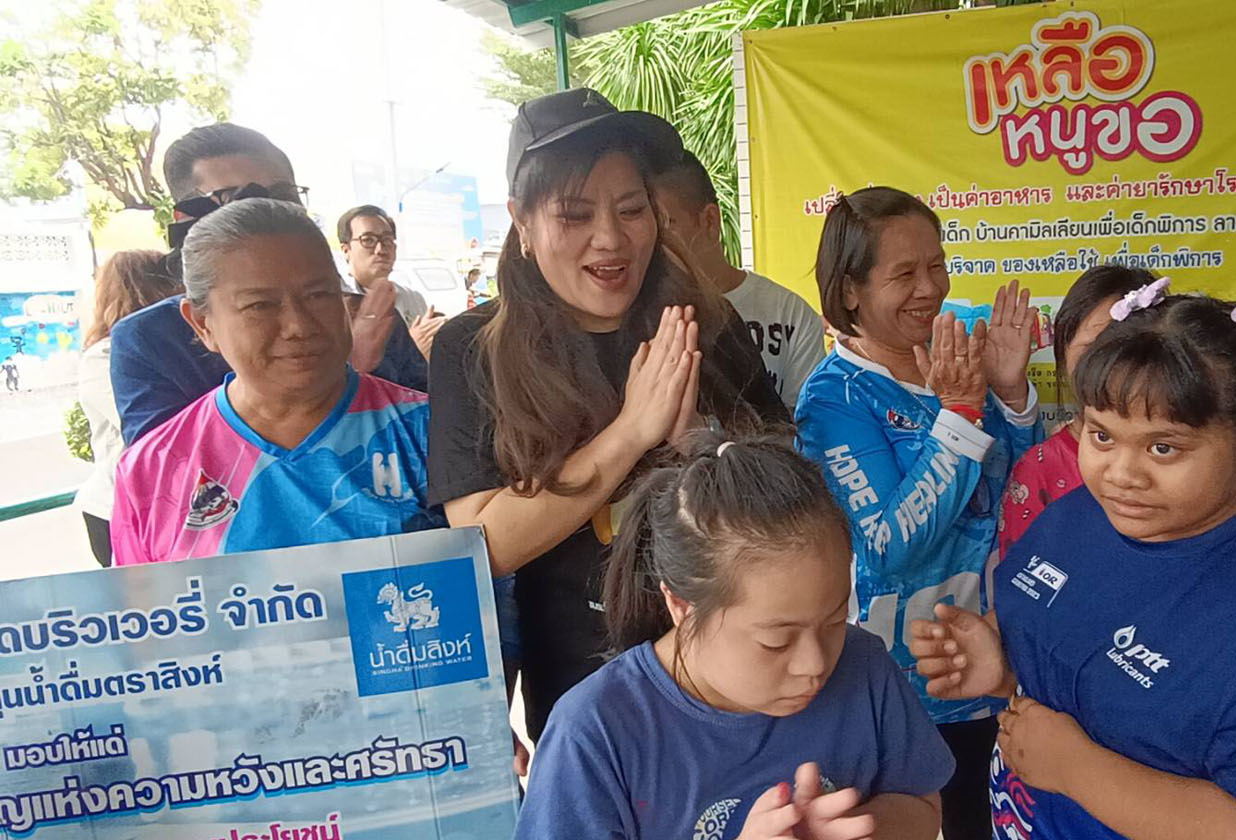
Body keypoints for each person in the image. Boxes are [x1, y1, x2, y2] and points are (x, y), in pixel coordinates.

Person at [911, 292, 1236, 840]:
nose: (1122, 474)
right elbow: (1086, 669)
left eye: (1164, 447)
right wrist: (1001, 662)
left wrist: (1079, 770)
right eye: (1102, 435)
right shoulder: (1075, 517)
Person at [109, 198, 499, 840]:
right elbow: (141, 654)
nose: (299, 325)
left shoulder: (431, 434)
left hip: (419, 825)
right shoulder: (155, 472)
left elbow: (488, 600)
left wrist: (491, 726)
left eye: (320, 294)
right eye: (259, 305)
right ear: (201, 323)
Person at [427, 88, 787, 741]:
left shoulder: (703, 319)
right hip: (583, 700)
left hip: (731, 679)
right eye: (573, 214)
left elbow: (785, 479)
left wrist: (703, 445)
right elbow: (481, 547)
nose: (611, 238)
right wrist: (631, 433)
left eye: (631, 209)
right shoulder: (472, 349)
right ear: (521, 221)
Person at [501, 435, 952, 840]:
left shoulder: (864, 667)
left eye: (834, 621)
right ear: (680, 606)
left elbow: (921, 807)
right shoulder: (596, 729)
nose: (814, 663)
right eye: (776, 642)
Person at [795, 186, 1041, 840]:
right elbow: (887, 546)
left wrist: (1012, 395)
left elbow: (1018, 501)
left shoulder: (952, 355)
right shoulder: (836, 397)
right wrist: (961, 414)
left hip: (985, 667)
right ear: (849, 290)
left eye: (936, 265)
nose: (930, 289)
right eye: (904, 275)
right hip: (890, 684)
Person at [110, 122, 428, 447]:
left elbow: (440, 439)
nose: (269, 216)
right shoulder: (149, 340)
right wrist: (344, 371)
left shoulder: (365, 313)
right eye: (241, 201)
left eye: (283, 197)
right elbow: (175, 478)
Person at [998, 265, 1157, 554]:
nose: (1109, 370)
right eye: (1092, 352)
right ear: (1063, 357)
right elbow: (1018, 587)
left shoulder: (1189, 456)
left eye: (1124, 350)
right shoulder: (1040, 469)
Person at [654, 150, 825, 408]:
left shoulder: (790, 315)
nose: (651, 240)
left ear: (710, 221)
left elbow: (806, 431)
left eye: (664, 224)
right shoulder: (639, 316)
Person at [75, 249, 183, 567]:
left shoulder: (178, 347)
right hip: (116, 506)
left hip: (173, 502)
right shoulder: (102, 357)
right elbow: (149, 427)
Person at [337, 204, 445, 358]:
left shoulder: (412, 298)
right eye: (368, 240)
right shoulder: (338, 304)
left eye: (387, 239)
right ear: (346, 250)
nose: (380, 249)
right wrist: (411, 350)